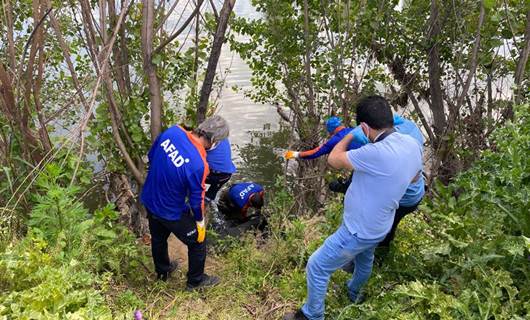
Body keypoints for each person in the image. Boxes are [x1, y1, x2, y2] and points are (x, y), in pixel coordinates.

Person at [283, 96, 423, 320]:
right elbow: (415, 177)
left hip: (358, 230)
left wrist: (349, 133)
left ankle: (311, 315)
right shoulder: (412, 145)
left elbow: (334, 159)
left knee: (317, 266)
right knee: (364, 260)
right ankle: (354, 293)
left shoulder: (374, 153)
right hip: (381, 225)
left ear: (365, 127)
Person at [140, 115, 229, 290]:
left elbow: (152, 155)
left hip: (150, 197)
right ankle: (195, 282)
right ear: (213, 141)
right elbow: (197, 201)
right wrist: (200, 222)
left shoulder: (173, 132)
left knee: (158, 238)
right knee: (197, 242)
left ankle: (162, 271)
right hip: (170, 210)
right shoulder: (199, 164)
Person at [330, 114, 425, 248]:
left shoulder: (382, 147)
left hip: (403, 198)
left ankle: (376, 250)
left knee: (382, 225)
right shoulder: (410, 129)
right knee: (389, 223)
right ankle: (377, 249)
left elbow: (335, 159)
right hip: (415, 194)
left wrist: (349, 135)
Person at [284, 116, 362, 160]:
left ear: (330, 130)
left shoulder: (335, 140)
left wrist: (295, 154)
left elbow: (315, 153)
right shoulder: (355, 129)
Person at [205, 138, 237, 203]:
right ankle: (208, 200)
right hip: (227, 174)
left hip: (216, 176)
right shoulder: (223, 137)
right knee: (211, 194)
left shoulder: (202, 144)